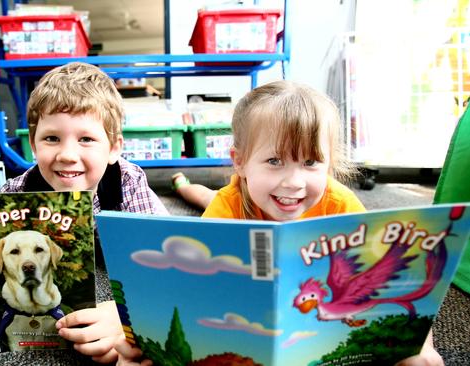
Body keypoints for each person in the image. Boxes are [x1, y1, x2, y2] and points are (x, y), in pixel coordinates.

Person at [115, 80, 436, 365]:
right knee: (203, 196)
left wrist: (422, 342)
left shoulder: (339, 202)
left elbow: (395, 280)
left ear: (329, 163)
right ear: (239, 161)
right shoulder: (228, 205)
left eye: (310, 162)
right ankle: (183, 184)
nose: (294, 181)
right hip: (235, 197)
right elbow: (190, 290)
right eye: (274, 161)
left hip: (257, 195)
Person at [0, 62, 168, 364]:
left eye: (86, 139)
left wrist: (124, 315)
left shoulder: (128, 181)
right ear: (33, 144)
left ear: (113, 148)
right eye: (52, 138)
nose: (67, 155)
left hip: (114, 246)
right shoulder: (16, 191)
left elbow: (166, 255)